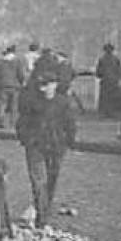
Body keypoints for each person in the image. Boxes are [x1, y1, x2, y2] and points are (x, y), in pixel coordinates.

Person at [16, 72, 76, 228]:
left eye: (48, 85)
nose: (45, 89)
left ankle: (44, 208)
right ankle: (41, 217)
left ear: (55, 85)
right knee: (38, 181)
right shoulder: (32, 102)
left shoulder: (62, 102)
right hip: (36, 146)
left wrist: (69, 140)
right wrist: (26, 139)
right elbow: (22, 122)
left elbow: (70, 123)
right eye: (42, 85)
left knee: (51, 179)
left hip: (56, 146)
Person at [94, 43, 121, 119]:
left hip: (105, 82)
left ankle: (104, 113)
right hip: (113, 82)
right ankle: (112, 112)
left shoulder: (102, 60)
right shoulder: (116, 59)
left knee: (105, 98)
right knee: (113, 98)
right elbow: (120, 71)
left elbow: (98, 73)